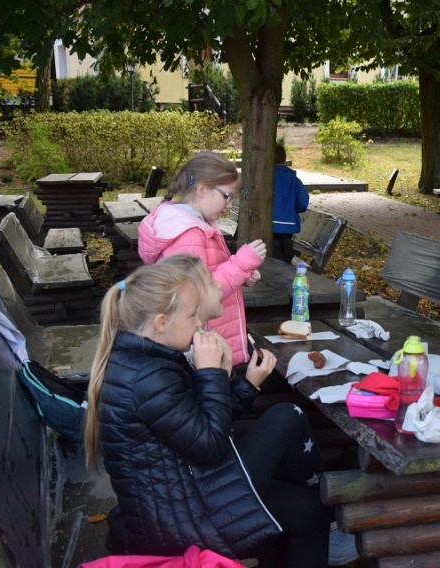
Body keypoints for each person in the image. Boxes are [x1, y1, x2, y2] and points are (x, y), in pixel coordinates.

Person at [83, 259, 342, 566]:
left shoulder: (144, 359)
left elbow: (192, 426)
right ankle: (326, 520)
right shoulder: (149, 378)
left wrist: (239, 383)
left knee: (287, 431)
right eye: (192, 315)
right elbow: (209, 445)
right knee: (310, 511)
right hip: (178, 522)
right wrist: (211, 374)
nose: (198, 323)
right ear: (161, 322)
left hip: (178, 498)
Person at [137, 152, 264, 365]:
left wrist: (243, 274)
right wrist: (241, 264)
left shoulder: (194, 224)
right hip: (203, 348)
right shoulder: (189, 234)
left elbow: (210, 271)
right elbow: (198, 295)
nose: (230, 204)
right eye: (227, 195)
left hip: (209, 340)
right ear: (202, 188)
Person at [272, 144, 309, 264]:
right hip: (288, 226)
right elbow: (302, 204)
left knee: (274, 249)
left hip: (268, 224)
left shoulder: (265, 178)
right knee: (285, 250)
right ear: (284, 160)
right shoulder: (294, 180)